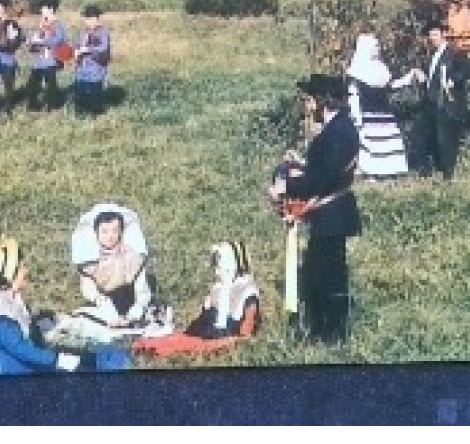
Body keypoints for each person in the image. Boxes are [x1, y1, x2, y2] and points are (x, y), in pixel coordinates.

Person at [268, 73, 361, 344]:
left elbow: (325, 179)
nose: (308, 106)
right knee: (321, 271)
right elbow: (325, 170)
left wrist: (286, 188)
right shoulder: (338, 128)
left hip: (332, 214)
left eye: (310, 100)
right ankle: (323, 329)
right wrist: (302, 165)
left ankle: (332, 334)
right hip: (330, 214)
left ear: (323, 102)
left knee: (328, 274)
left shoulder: (339, 132)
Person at [0, 239, 130, 375]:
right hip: (5, 370)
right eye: (21, 266)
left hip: (16, 366)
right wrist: (56, 360)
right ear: (12, 274)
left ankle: (105, 360)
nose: (26, 270)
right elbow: (17, 347)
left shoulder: (10, 299)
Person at [133, 241, 261, 360]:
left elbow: (244, 336)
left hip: (220, 340)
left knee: (178, 344)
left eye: (219, 263)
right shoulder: (218, 288)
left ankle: (151, 349)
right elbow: (202, 321)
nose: (216, 270)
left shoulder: (247, 292)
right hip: (204, 335)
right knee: (172, 339)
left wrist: (218, 342)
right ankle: (147, 346)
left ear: (230, 263)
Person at [71, 203, 156, 327]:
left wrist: (138, 308)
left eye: (115, 231)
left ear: (121, 232)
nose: (110, 236)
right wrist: (99, 299)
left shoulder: (132, 257)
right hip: (102, 305)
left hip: (130, 301)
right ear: (96, 233)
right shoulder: (90, 261)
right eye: (104, 232)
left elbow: (142, 287)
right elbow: (87, 286)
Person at [410, 20, 470, 181]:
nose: (432, 38)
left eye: (435, 34)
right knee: (418, 135)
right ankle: (424, 170)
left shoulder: (454, 52)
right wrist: (423, 79)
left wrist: (455, 80)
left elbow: (469, 68)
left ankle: (447, 175)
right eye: (430, 35)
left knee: (445, 140)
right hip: (431, 103)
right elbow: (432, 80)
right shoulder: (432, 56)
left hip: (447, 103)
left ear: (444, 35)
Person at [346, 33, 412, 181]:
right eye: (374, 46)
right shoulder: (357, 71)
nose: (377, 49)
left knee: (388, 144)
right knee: (372, 146)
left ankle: (389, 172)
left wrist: (407, 79)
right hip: (368, 115)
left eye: (378, 46)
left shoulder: (381, 68)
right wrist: (357, 116)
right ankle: (372, 174)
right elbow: (354, 96)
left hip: (384, 113)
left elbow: (389, 87)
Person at [26, 3, 69, 112]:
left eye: (45, 12)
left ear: (51, 11)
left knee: (51, 85)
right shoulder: (43, 25)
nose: (43, 14)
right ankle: (33, 105)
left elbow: (58, 40)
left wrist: (44, 41)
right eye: (42, 12)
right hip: (39, 61)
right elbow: (35, 38)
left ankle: (52, 106)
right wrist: (32, 42)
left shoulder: (58, 25)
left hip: (51, 60)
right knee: (32, 84)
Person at [72, 5, 113, 118]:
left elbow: (103, 48)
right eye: (86, 18)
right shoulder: (83, 32)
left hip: (96, 66)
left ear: (96, 18)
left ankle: (96, 113)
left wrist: (88, 50)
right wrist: (76, 50)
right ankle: (82, 111)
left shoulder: (103, 32)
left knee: (95, 90)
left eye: (89, 18)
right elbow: (77, 44)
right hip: (82, 66)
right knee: (81, 89)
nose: (87, 21)